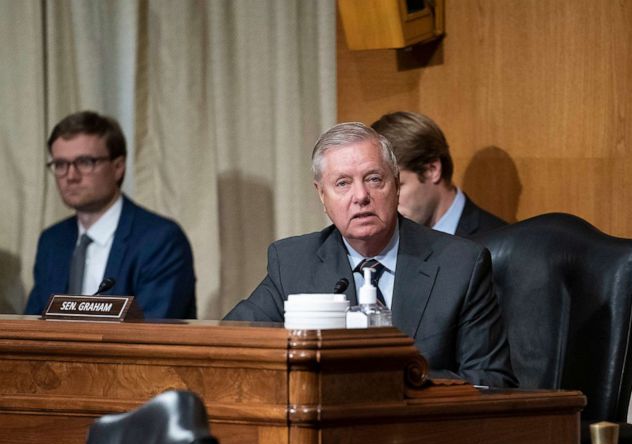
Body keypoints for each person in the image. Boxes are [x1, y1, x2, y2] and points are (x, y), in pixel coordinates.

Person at [224, 122, 516, 388]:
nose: (361, 196)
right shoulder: (293, 263)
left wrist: (395, 382)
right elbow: (229, 345)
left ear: (395, 185)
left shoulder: (461, 264)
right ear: (321, 196)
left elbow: (492, 381)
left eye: (374, 179)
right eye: (342, 183)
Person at [24, 111, 196, 318]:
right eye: (61, 164)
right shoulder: (52, 241)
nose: (70, 176)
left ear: (118, 167)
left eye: (85, 162)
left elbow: (154, 332)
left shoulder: (160, 240)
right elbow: (33, 325)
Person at [371, 111, 506, 237]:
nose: (388, 202)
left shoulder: (497, 240)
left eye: (397, 186)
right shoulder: (378, 239)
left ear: (432, 170)